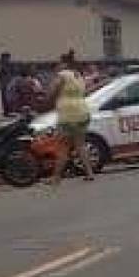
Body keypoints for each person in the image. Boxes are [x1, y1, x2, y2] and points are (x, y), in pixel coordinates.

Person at [45, 53, 95, 185]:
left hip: (68, 114)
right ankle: (90, 173)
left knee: (63, 146)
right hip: (82, 111)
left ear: (64, 63)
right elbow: (85, 92)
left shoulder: (62, 75)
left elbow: (51, 92)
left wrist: (48, 98)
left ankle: (56, 177)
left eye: (59, 63)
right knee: (80, 145)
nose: (57, 66)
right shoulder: (78, 75)